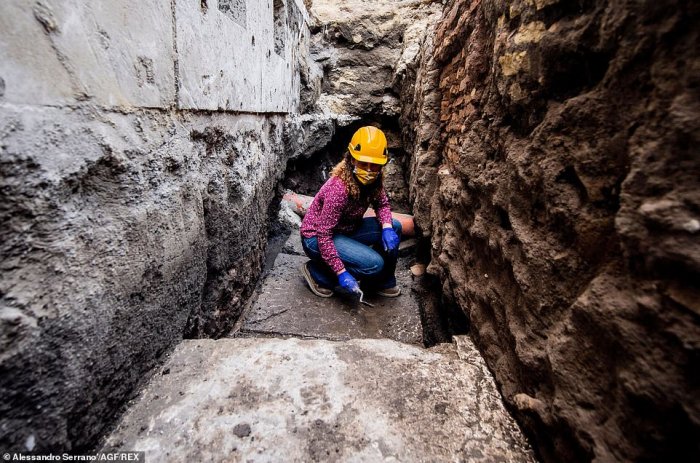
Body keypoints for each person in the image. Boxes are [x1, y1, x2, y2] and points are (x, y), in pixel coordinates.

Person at [300, 126, 402, 299]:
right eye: (364, 163)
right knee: (373, 264)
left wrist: (386, 227)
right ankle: (318, 273)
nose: (369, 170)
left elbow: (382, 204)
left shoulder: (374, 181)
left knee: (396, 226)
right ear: (352, 159)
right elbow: (324, 235)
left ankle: (380, 282)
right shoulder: (338, 189)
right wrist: (341, 272)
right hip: (316, 238)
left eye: (375, 165)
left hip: (346, 230)